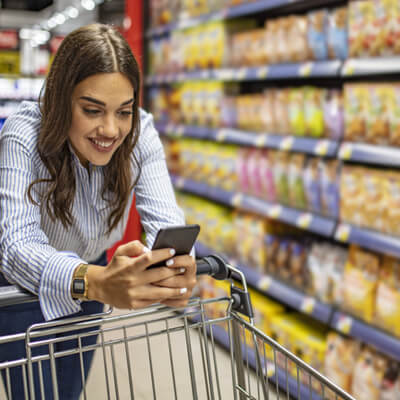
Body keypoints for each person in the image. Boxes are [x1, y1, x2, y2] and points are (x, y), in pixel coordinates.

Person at [0, 23, 196, 399]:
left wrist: (174, 266)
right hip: (21, 289)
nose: (111, 129)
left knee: (70, 388)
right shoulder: (23, 135)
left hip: (94, 277)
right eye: (92, 110)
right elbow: (17, 246)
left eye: (123, 111)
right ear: (60, 99)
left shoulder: (140, 133)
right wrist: (94, 281)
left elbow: (167, 220)